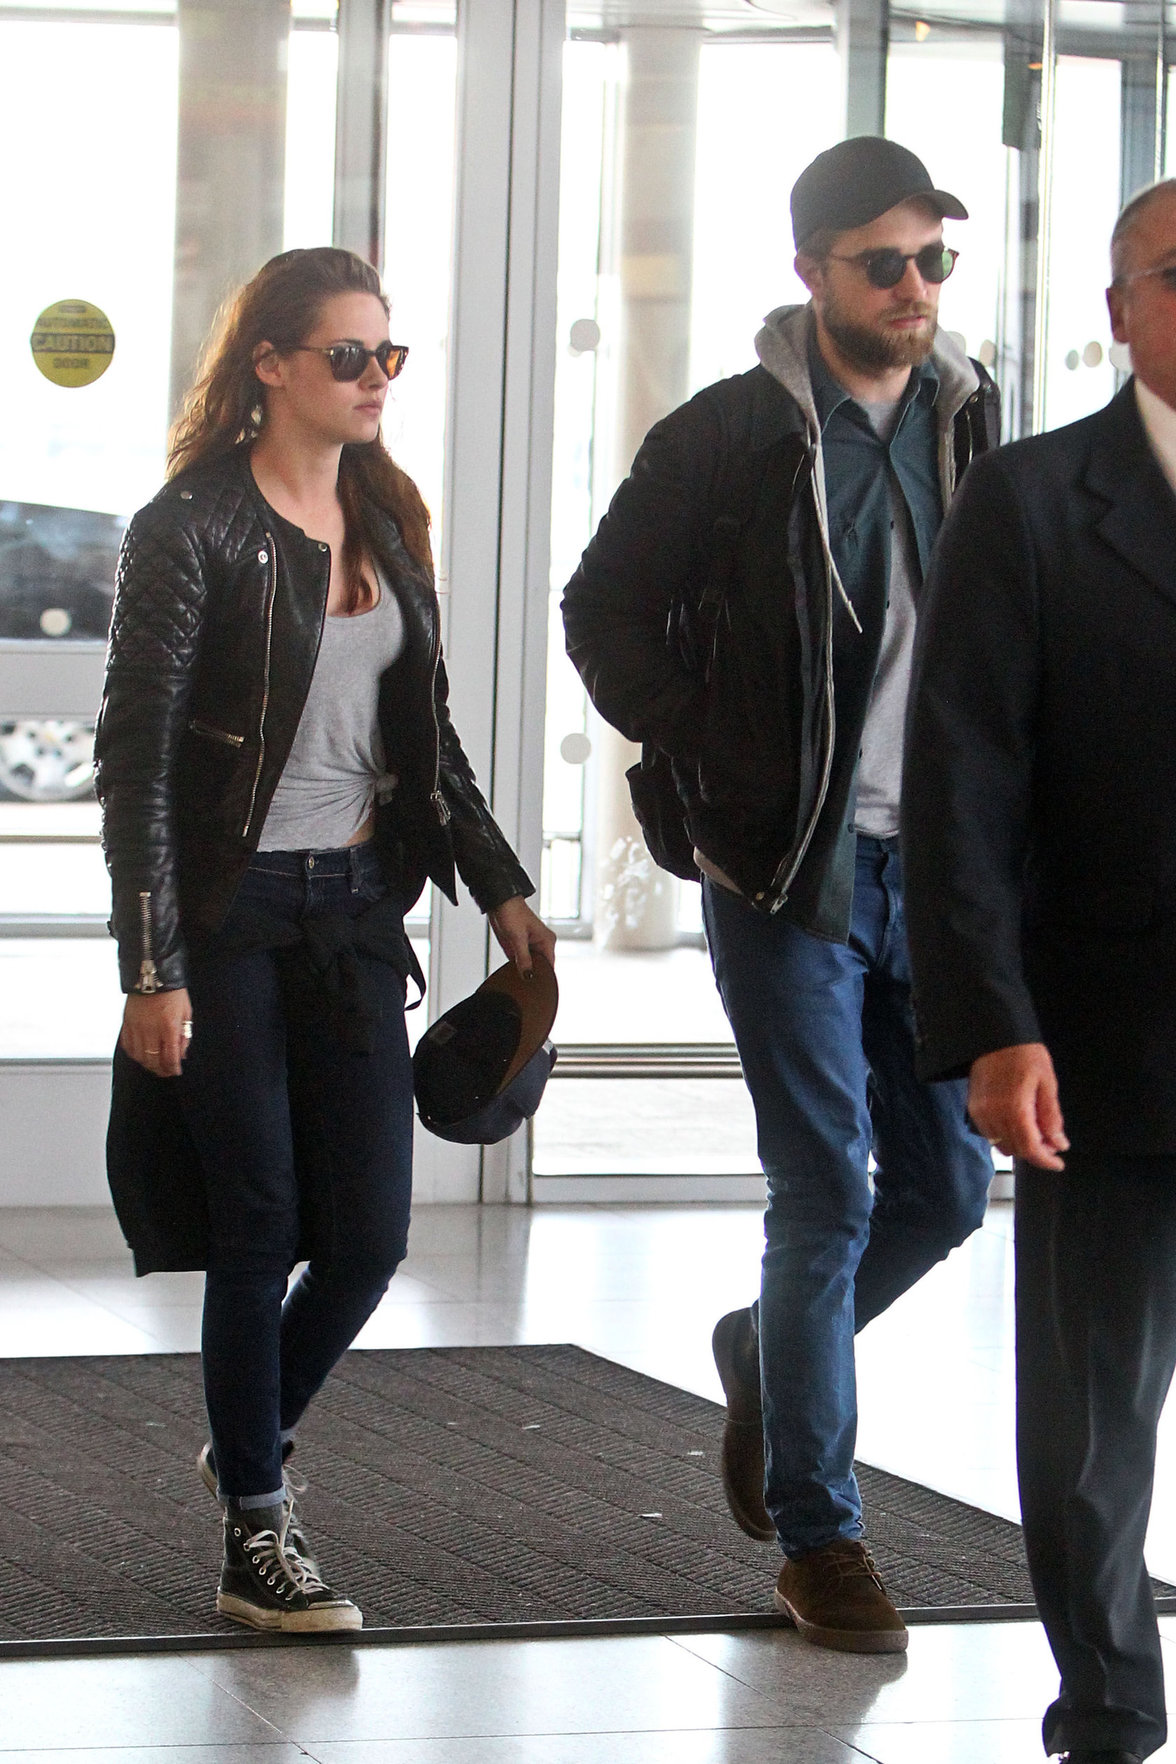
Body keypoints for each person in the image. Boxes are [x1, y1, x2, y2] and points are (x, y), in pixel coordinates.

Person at [562, 136, 997, 1654]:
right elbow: (600, 609)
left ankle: (764, 1351)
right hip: (786, 868)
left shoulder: (972, 423)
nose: (915, 288)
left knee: (947, 1192)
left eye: (933, 259)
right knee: (827, 1190)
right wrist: (713, 746)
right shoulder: (727, 438)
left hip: (936, 870)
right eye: (885, 263)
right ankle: (823, 1537)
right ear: (812, 271)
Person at [95, 246, 554, 1634]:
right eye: (348, 356)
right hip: (232, 914)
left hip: (357, 909)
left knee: (367, 1236)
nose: (374, 379)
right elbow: (138, 764)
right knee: (260, 1222)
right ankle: (257, 1528)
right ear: (271, 366)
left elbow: (427, 736)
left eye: (387, 354)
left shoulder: (387, 515)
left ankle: (248, 1434)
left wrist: (504, 888)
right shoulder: (191, 527)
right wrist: (151, 967)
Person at [902, 178, 1176, 1764]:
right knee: (1092, 1419)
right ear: (1120, 308)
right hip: (1107, 1035)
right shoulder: (1030, 500)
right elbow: (963, 787)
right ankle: (1114, 1704)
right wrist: (996, 1027)